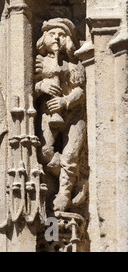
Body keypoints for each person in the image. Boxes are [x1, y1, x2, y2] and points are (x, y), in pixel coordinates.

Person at [35, 18, 86, 212]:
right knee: (44, 152)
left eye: (62, 34)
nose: (56, 38)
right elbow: (28, 88)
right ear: (44, 37)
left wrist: (65, 101)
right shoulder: (40, 62)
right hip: (49, 111)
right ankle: (75, 177)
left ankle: (64, 192)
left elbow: (80, 91)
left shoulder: (73, 64)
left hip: (74, 114)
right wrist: (41, 85)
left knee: (71, 153)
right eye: (52, 34)